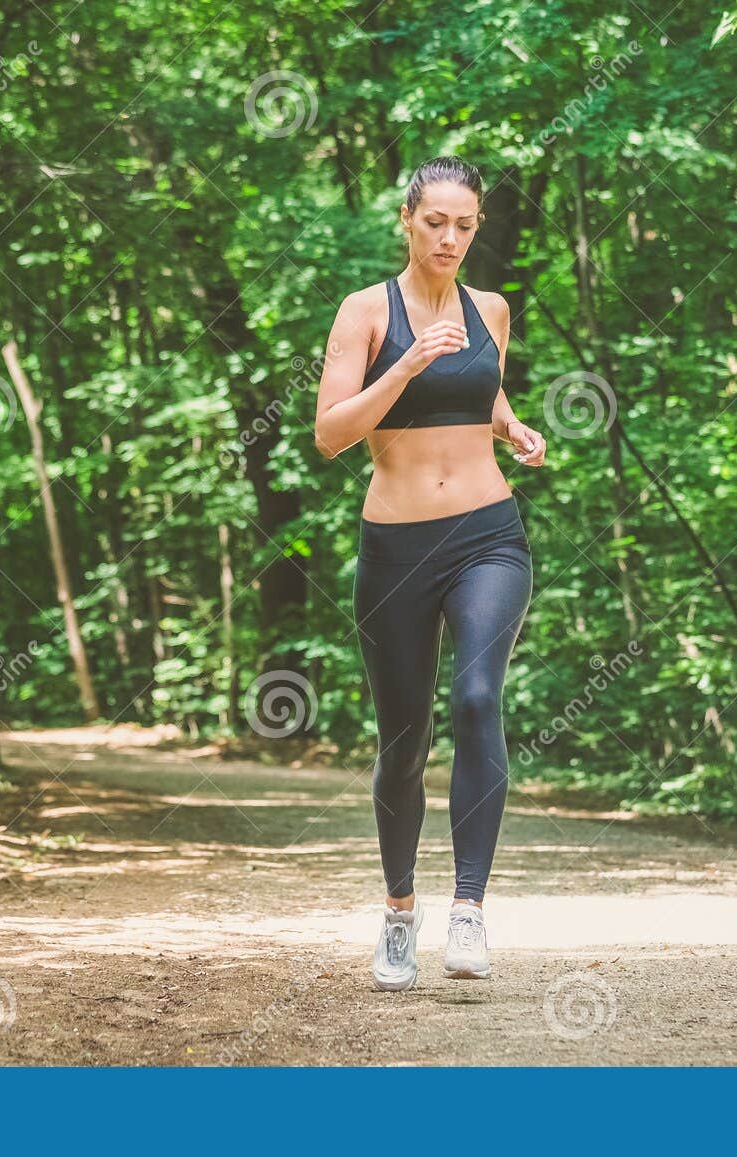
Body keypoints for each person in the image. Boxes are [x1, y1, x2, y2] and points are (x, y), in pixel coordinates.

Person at [314, 155, 547, 991]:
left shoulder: (492, 309)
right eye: (436, 221)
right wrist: (405, 365)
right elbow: (331, 433)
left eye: (466, 224)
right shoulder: (365, 312)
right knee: (403, 739)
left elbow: (481, 392)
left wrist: (513, 426)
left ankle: (470, 910)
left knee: (478, 697)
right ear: (407, 220)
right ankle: (400, 913)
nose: (452, 237)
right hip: (396, 549)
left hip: (489, 533)